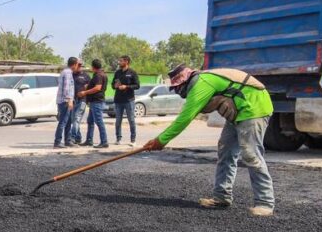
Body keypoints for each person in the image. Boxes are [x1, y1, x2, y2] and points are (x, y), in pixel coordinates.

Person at [142, 64, 275, 217]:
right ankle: (221, 197)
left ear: (184, 82)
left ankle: (265, 203)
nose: (178, 92)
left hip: (254, 109)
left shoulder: (200, 84)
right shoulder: (202, 81)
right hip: (239, 113)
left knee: (251, 155)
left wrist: (161, 140)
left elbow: (184, 118)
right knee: (226, 151)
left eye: (178, 88)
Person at [78, 59, 109, 148]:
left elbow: (97, 88)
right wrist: (88, 87)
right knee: (90, 121)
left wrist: (85, 92)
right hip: (94, 101)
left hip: (97, 101)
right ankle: (89, 140)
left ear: (93, 67)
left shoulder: (99, 75)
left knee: (99, 121)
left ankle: (104, 141)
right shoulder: (100, 74)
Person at [111, 55, 140, 146]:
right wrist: (114, 86)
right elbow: (112, 84)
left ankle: (133, 140)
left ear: (126, 62)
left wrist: (126, 86)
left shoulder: (132, 73)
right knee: (118, 120)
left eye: (121, 61)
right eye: (119, 61)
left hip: (129, 100)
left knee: (131, 120)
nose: (119, 62)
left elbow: (137, 85)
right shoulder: (117, 72)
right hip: (118, 100)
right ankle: (118, 139)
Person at [53, 57, 78, 148]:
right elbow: (67, 88)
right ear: (74, 64)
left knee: (68, 122)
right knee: (63, 121)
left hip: (64, 100)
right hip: (65, 101)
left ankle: (68, 140)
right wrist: (69, 100)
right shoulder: (67, 73)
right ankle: (57, 142)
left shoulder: (66, 72)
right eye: (77, 64)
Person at [70, 60, 91, 144]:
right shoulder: (71, 75)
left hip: (82, 100)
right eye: (77, 65)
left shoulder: (86, 76)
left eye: (80, 65)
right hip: (73, 100)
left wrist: (86, 94)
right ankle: (78, 138)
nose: (79, 67)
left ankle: (72, 137)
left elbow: (90, 88)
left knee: (76, 119)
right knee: (73, 120)